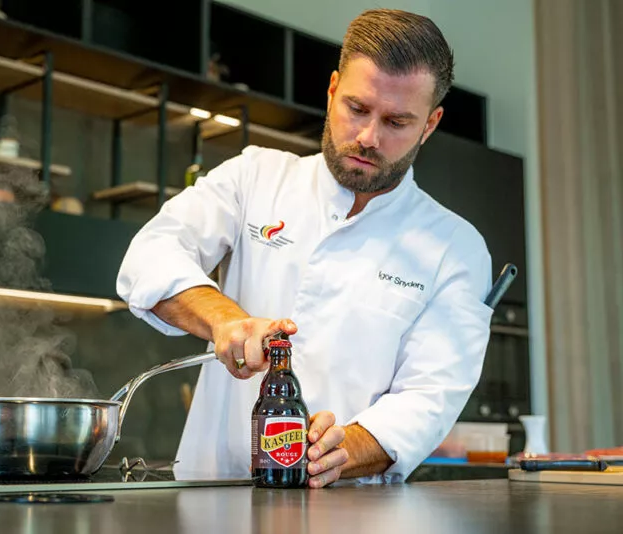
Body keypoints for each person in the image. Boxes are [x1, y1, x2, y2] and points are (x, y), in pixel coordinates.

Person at [116, 8, 493, 487]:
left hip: (352, 508)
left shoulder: (455, 248)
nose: (368, 137)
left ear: (430, 124)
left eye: (397, 121)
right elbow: (150, 256)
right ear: (332, 90)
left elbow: (429, 395)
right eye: (357, 109)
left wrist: (349, 446)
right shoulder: (255, 176)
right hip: (213, 493)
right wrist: (225, 321)